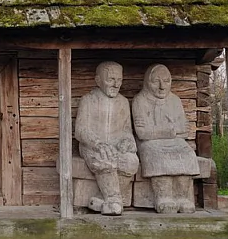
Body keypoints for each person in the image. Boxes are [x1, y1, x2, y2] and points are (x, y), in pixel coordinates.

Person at [132, 63, 199, 213]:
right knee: (157, 155)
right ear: (147, 82)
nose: (162, 86)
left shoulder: (175, 100)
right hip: (149, 144)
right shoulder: (140, 100)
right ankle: (163, 197)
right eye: (156, 81)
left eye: (167, 81)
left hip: (174, 142)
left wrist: (160, 131)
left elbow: (184, 130)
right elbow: (142, 134)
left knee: (187, 154)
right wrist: (170, 131)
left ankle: (182, 198)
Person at [74, 61, 139, 215]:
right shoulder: (88, 100)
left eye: (119, 80)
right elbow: (80, 129)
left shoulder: (123, 102)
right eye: (111, 79)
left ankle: (101, 199)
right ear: (98, 80)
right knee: (105, 160)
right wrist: (98, 143)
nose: (116, 84)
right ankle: (114, 200)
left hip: (116, 145)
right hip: (92, 145)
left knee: (131, 161)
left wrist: (127, 142)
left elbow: (127, 130)